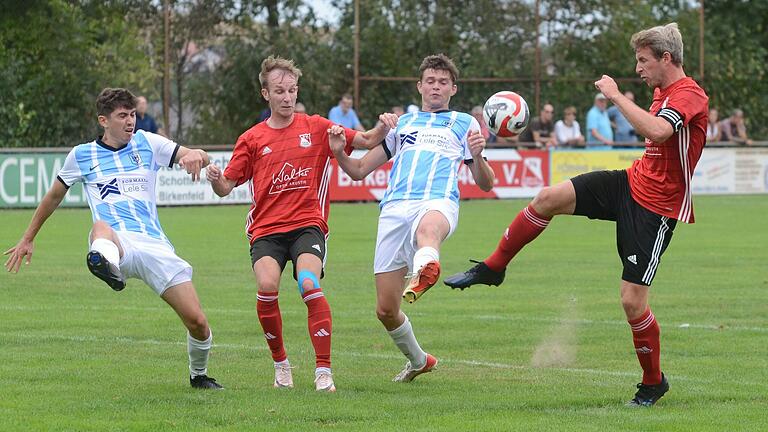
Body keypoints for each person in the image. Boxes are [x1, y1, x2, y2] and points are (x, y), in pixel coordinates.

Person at [445, 23, 708, 407]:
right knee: (548, 197)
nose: (638, 68)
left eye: (643, 60)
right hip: (630, 182)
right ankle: (494, 266)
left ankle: (653, 382)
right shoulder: (661, 91)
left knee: (632, 301)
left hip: (657, 208)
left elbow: (658, 131)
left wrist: (616, 96)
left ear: (666, 59)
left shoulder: (689, 94)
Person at [4, 88, 223, 390]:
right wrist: (28, 237)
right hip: (118, 240)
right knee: (101, 227)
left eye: (132, 114)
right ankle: (107, 265)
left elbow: (192, 154)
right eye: (123, 116)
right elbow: (54, 195)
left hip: (154, 245)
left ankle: (199, 375)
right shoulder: (82, 155)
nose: (130, 121)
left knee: (197, 321)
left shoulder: (148, 143)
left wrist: (198, 156)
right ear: (104, 120)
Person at [205, 55, 395, 392]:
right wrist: (216, 178)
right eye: (279, 91)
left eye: (292, 90)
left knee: (308, 284)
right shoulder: (251, 139)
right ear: (266, 94)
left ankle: (324, 371)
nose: (287, 97)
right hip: (266, 231)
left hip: (308, 225)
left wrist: (383, 126)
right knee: (266, 288)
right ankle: (281, 365)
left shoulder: (317, 126)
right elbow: (224, 188)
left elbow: (365, 141)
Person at [328, 54, 495, 383]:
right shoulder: (402, 124)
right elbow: (360, 170)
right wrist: (338, 153)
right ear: (420, 86)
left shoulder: (465, 123)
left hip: (437, 201)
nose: (436, 86)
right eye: (430, 81)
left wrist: (477, 156)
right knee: (386, 310)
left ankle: (427, 266)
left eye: (443, 82)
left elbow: (485, 183)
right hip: (394, 209)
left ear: (453, 89)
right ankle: (419, 360)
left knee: (428, 230)